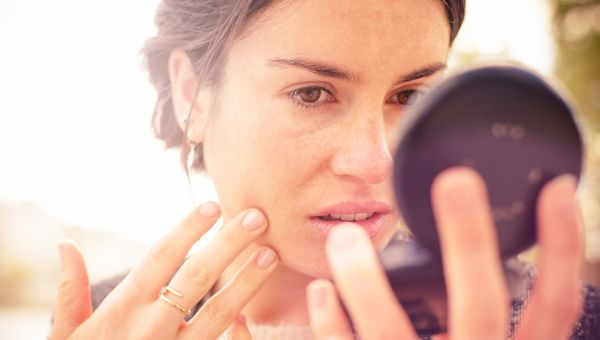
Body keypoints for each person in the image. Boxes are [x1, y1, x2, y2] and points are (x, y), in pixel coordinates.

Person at [49, 0, 600, 339]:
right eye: (311, 93)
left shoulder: (564, 324)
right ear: (191, 91)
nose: (375, 161)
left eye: (409, 96)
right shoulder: (95, 325)